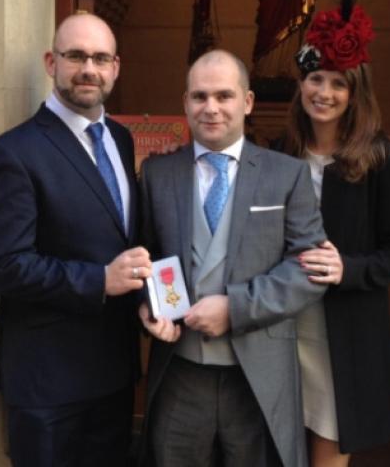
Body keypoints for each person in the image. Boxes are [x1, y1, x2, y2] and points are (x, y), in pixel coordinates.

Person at [138, 49, 330, 467]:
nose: (211, 108)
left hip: (259, 375)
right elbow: (146, 256)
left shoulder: (286, 174)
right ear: (185, 102)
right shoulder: (157, 175)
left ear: (247, 102)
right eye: (199, 96)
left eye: (224, 96)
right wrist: (149, 304)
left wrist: (236, 307)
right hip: (180, 373)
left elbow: (310, 269)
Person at [0, 12, 146, 466]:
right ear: (52, 62)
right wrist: (99, 281)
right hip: (50, 385)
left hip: (114, 372)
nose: (88, 68)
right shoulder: (13, 153)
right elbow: (7, 266)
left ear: (115, 67)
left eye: (99, 58)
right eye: (75, 56)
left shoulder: (121, 138)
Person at [280, 0, 390, 466]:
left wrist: (348, 268)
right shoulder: (279, 154)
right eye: (316, 78)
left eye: (339, 84)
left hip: (343, 337)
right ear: (301, 84)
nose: (325, 93)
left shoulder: (383, 157)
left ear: (356, 92)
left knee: (328, 452)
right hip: (279, 329)